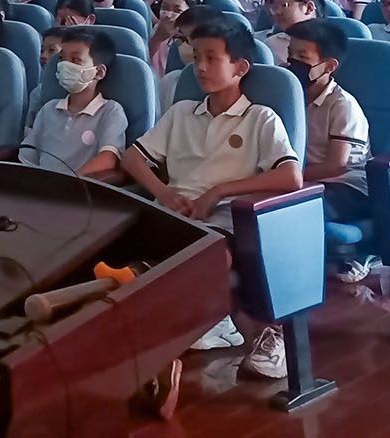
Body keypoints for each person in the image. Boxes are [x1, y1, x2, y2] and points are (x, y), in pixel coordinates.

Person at [121, 19, 300, 378]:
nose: (200, 67)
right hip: (171, 214)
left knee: (207, 256)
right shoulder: (182, 112)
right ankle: (204, 320)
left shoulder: (260, 118)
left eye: (211, 58)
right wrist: (164, 192)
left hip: (224, 221)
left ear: (240, 67)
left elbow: (291, 177)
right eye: (196, 57)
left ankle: (249, 329)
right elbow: (132, 158)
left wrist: (219, 191)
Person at [282, 19, 378, 283]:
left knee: (288, 212)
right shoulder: (291, 96)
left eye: (303, 57)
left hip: (347, 187)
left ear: (329, 65)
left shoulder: (342, 105)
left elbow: (337, 165)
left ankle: (298, 282)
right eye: (291, 54)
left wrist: (290, 179)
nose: (293, 62)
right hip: (306, 180)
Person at [19, 27, 129, 179]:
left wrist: (69, 183)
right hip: (38, 186)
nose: (65, 66)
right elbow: (28, 157)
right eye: (62, 59)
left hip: (77, 189)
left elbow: (108, 159)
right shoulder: (49, 109)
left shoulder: (110, 111)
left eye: (75, 60)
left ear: (98, 72)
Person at [259, 0, 318, 64]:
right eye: (275, 7)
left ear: (309, 8)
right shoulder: (270, 45)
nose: (277, 12)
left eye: (284, 5)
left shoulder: (331, 41)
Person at [150, 0, 204, 74]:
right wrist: (157, 39)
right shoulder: (158, 29)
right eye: (164, 8)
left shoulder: (198, 40)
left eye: (177, 10)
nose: (168, 15)